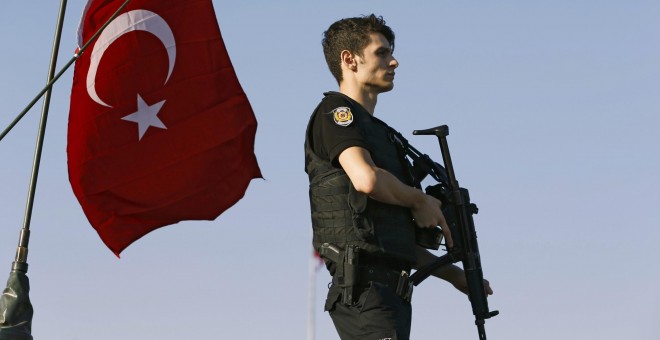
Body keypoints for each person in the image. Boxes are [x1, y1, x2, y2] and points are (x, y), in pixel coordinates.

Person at [304, 14, 493, 340]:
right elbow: (366, 180)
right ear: (349, 60)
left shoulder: (383, 137)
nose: (394, 61)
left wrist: (454, 276)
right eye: (381, 52)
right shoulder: (335, 114)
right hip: (364, 294)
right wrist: (419, 199)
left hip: (389, 294)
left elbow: (388, 240)